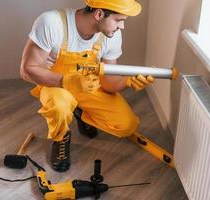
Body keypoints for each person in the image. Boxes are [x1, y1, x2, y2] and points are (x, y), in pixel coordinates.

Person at [20, 0, 154, 172]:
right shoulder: (52, 23)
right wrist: (67, 81)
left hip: (90, 85)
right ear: (98, 14)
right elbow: (27, 70)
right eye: (119, 20)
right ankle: (61, 136)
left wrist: (127, 81)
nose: (122, 26)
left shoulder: (110, 34)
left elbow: (108, 81)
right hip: (55, 84)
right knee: (60, 106)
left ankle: (80, 111)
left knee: (126, 125)